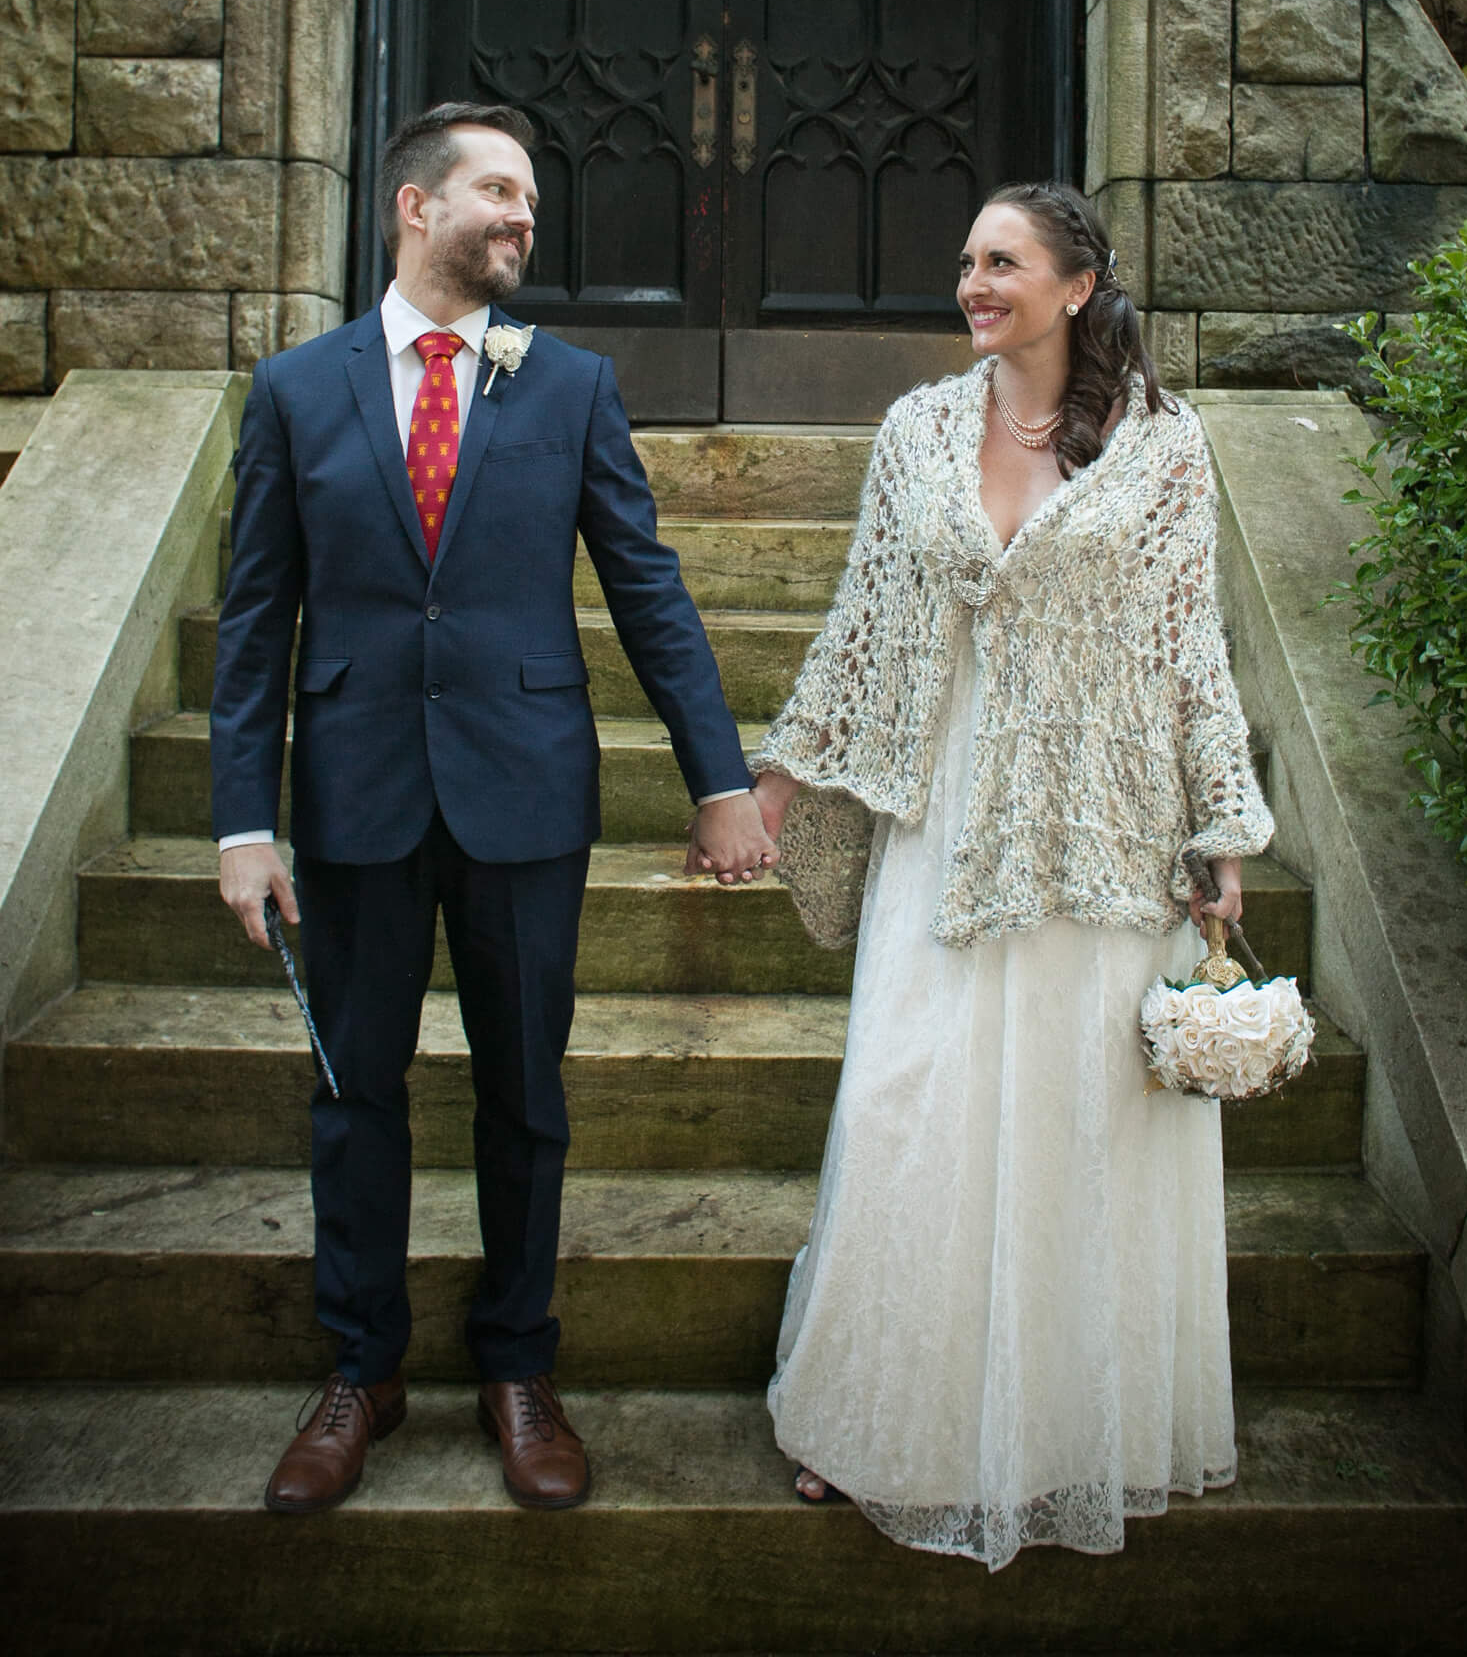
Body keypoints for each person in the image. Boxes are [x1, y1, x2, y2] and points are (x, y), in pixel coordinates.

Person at [696, 181, 1273, 1570]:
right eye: (964, 260)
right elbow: (862, 624)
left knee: (1082, 1131)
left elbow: (1193, 650)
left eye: (1001, 260)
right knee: (915, 1107)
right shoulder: (917, 432)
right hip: (943, 817)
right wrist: (768, 779)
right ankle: (872, 1420)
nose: (972, 282)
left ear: (1078, 286)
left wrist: (1220, 834)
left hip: (1103, 828)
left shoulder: (1165, 446)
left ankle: (1069, 1437)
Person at [212, 100, 776, 1517]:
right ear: (416, 207)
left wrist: (719, 777)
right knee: (356, 1099)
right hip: (353, 803)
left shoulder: (569, 384)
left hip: (524, 798)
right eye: (501, 192)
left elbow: (645, 586)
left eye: (531, 195)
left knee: (528, 1098)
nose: (527, 216)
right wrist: (241, 820)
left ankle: (520, 1366)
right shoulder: (296, 389)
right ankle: (362, 1368)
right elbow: (253, 623)